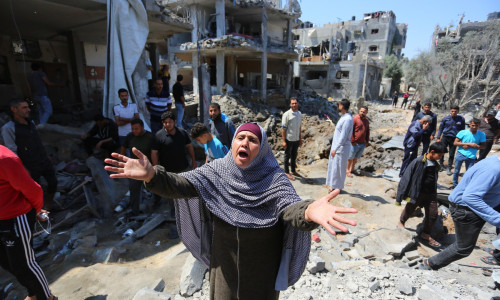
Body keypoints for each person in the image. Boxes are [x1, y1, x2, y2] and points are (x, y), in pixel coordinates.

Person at [104, 122, 358, 299]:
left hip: (261, 275)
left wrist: (309, 212)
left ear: (262, 149)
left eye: (253, 140)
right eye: (240, 137)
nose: (245, 142)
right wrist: (152, 176)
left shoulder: (275, 180)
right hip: (222, 269)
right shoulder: (216, 172)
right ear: (233, 143)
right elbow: (181, 185)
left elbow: (291, 209)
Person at [419, 154, 500, 270]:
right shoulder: (493, 169)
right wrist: (497, 219)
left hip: (476, 204)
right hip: (465, 210)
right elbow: (471, 197)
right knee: (463, 248)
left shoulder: (495, 161)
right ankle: (429, 264)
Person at [0, 145, 57, 300]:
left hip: (14, 218)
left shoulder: (4, 159)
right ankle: (33, 294)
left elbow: (32, 189)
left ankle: (47, 298)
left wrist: (38, 210)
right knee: (7, 263)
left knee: (25, 264)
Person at [1, 99, 58, 210]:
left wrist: (46, 156)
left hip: (42, 160)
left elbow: (38, 142)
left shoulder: (30, 123)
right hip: (29, 165)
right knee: (34, 189)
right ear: (14, 109)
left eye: (28, 107)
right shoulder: (8, 128)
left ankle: (49, 205)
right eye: (24, 107)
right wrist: (21, 168)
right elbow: (12, 151)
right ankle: (39, 211)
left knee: (53, 182)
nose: (28, 110)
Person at [151, 111, 196, 237]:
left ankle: (190, 214)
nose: (167, 124)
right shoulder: (159, 136)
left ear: (174, 122)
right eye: (165, 122)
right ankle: (175, 216)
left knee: (186, 191)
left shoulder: (182, 133)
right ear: (162, 123)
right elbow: (154, 153)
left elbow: (190, 146)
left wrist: (193, 161)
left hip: (183, 168)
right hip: (168, 171)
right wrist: (156, 168)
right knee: (171, 194)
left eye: (170, 122)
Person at [396, 142, 447, 248]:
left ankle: (426, 234)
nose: (441, 158)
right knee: (410, 207)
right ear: (432, 152)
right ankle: (401, 222)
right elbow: (406, 177)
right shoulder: (419, 162)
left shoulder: (435, 164)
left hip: (431, 193)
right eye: (440, 155)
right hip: (418, 192)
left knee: (433, 215)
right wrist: (400, 196)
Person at [120, 119, 155, 215]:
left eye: (136, 129)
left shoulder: (150, 137)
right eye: (132, 129)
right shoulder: (130, 136)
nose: (134, 131)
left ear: (143, 127)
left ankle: (155, 207)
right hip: (135, 169)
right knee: (134, 189)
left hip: (148, 168)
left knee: (154, 188)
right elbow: (123, 147)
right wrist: (123, 160)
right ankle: (135, 211)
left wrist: (155, 166)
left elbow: (155, 152)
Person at [326, 99, 353, 194]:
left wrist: (335, 148)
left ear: (342, 106)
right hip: (338, 147)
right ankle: (333, 186)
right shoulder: (344, 117)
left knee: (339, 169)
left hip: (341, 148)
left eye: (339, 105)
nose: (338, 107)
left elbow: (343, 136)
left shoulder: (347, 119)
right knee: (335, 168)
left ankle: (336, 188)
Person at [452, 118, 486, 188]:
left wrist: (476, 146)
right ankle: (454, 184)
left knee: (469, 172)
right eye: (473, 125)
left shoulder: (482, 134)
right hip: (460, 153)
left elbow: (483, 146)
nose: (474, 127)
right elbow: (455, 143)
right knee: (456, 171)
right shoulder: (462, 132)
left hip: (472, 156)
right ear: (470, 124)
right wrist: (467, 144)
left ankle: (465, 185)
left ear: (479, 125)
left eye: (476, 126)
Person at [436, 106, 465, 175]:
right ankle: (441, 165)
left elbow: (462, 130)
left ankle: (449, 167)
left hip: (454, 138)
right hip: (445, 137)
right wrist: (438, 137)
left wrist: (461, 139)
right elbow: (440, 128)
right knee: (442, 151)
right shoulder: (446, 118)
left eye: (455, 111)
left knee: (451, 153)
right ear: (450, 111)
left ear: (458, 111)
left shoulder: (461, 119)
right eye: (452, 111)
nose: (453, 113)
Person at [281, 97, 303, 180]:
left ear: (298, 104)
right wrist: (283, 141)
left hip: (296, 139)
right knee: (287, 156)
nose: (294, 105)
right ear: (290, 104)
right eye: (292, 103)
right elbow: (283, 129)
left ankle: (293, 170)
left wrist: (300, 138)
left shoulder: (299, 114)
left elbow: (299, 127)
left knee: (294, 155)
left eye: (295, 103)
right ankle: (286, 172)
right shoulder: (286, 114)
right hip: (289, 139)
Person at [347, 106, 370, 178]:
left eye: (364, 112)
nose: (362, 113)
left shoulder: (366, 120)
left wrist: (367, 141)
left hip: (362, 143)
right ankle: (347, 170)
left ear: (366, 112)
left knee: (355, 157)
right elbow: (350, 130)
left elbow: (367, 131)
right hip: (354, 143)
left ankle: (352, 169)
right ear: (359, 111)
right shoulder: (355, 119)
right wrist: (352, 140)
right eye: (361, 111)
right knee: (350, 158)